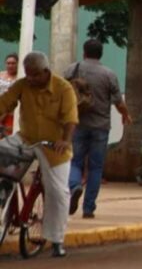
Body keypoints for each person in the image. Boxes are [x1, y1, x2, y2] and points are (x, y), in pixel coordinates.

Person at [0, 52, 78, 257]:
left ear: (45, 71)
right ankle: (5, 195)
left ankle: (57, 239)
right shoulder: (22, 85)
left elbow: (71, 119)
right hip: (25, 139)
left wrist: (65, 140)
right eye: (28, 74)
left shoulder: (63, 88)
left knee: (58, 192)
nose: (31, 79)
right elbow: (5, 103)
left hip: (53, 145)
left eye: (35, 75)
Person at [67, 39, 132, 219]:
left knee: (75, 161)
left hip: (77, 123)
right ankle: (88, 209)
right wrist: (125, 114)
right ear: (101, 54)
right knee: (95, 167)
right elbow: (119, 102)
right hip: (100, 127)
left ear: (84, 52)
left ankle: (74, 185)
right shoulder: (108, 74)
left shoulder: (72, 70)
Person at [0, 53, 18, 135]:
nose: (10, 65)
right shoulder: (1, 74)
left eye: (13, 63)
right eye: (8, 63)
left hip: (11, 112)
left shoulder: (20, 77)